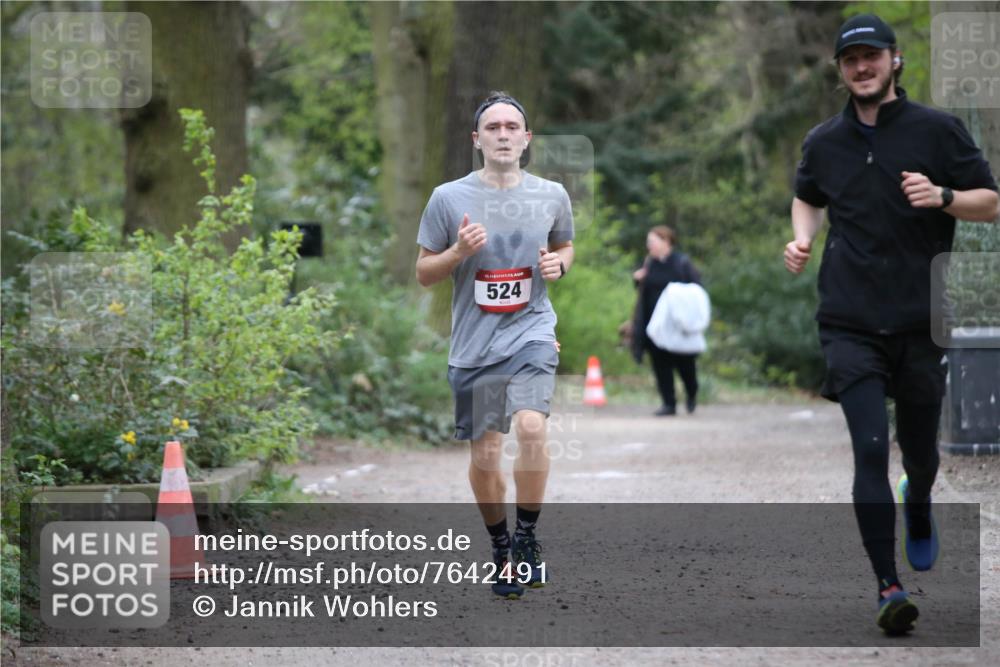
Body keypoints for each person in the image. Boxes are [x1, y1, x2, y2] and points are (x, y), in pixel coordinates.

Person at [785, 14, 999, 635]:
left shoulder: (937, 131)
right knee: (870, 448)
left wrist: (944, 198)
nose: (861, 67)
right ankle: (888, 585)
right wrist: (801, 239)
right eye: (850, 59)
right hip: (848, 318)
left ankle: (922, 497)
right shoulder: (825, 140)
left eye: (872, 56)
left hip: (920, 317)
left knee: (922, 452)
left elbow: (990, 200)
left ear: (894, 60)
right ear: (841, 70)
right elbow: (808, 194)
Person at [415, 91, 575, 599]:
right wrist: (458, 251)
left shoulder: (551, 194)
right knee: (485, 455)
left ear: (527, 139)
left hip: (531, 331)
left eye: (512, 127)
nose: (503, 134)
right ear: (477, 139)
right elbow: (422, 273)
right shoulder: (448, 198)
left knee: (531, 426)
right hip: (476, 345)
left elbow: (565, 244)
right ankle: (501, 547)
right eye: (493, 127)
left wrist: (560, 264)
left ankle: (527, 538)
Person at [630, 225, 702, 416]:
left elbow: (696, 290)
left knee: (685, 364)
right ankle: (668, 403)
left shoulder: (681, 263)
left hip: (678, 325)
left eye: (652, 242)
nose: (649, 246)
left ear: (666, 242)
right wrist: (638, 280)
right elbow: (644, 292)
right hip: (655, 324)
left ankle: (691, 394)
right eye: (648, 242)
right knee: (660, 364)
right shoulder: (649, 263)